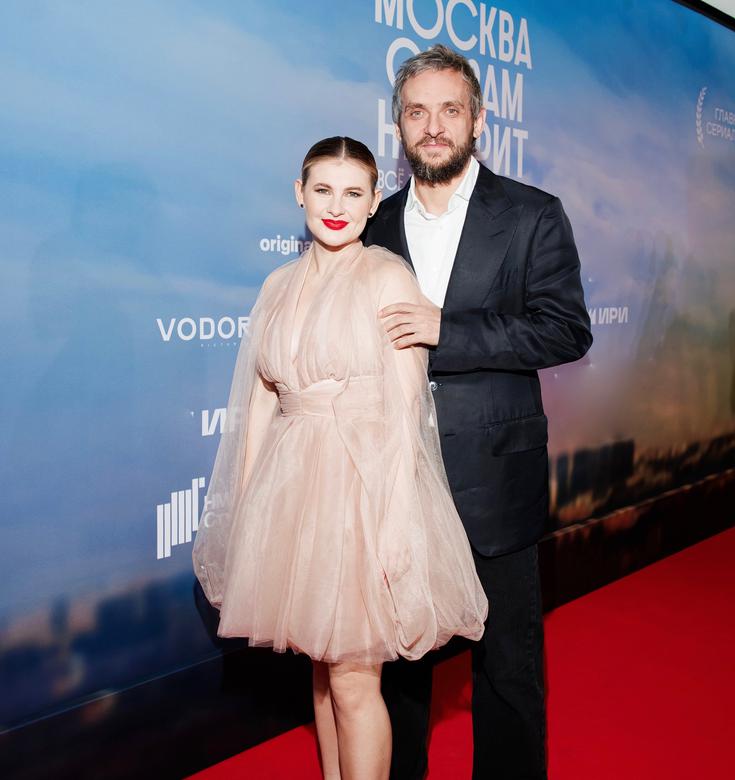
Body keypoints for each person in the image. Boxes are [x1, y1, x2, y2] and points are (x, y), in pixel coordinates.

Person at [192, 136, 487, 780]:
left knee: (354, 680)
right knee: (323, 671)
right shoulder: (277, 284)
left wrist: (395, 526)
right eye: (323, 190)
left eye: (354, 193)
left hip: (362, 490)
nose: (336, 207)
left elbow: (408, 414)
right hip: (294, 491)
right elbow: (261, 405)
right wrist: (246, 509)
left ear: (374, 201)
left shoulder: (387, 277)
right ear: (298, 193)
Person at [365, 45, 593, 780]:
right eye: (417, 112)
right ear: (399, 125)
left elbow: (566, 331)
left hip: (495, 482)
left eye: (450, 110)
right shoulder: (375, 224)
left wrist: (446, 330)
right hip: (396, 483)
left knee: (507, 674)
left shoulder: (531, 215)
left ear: (479, 120)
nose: (433, 126)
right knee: (399, 674)